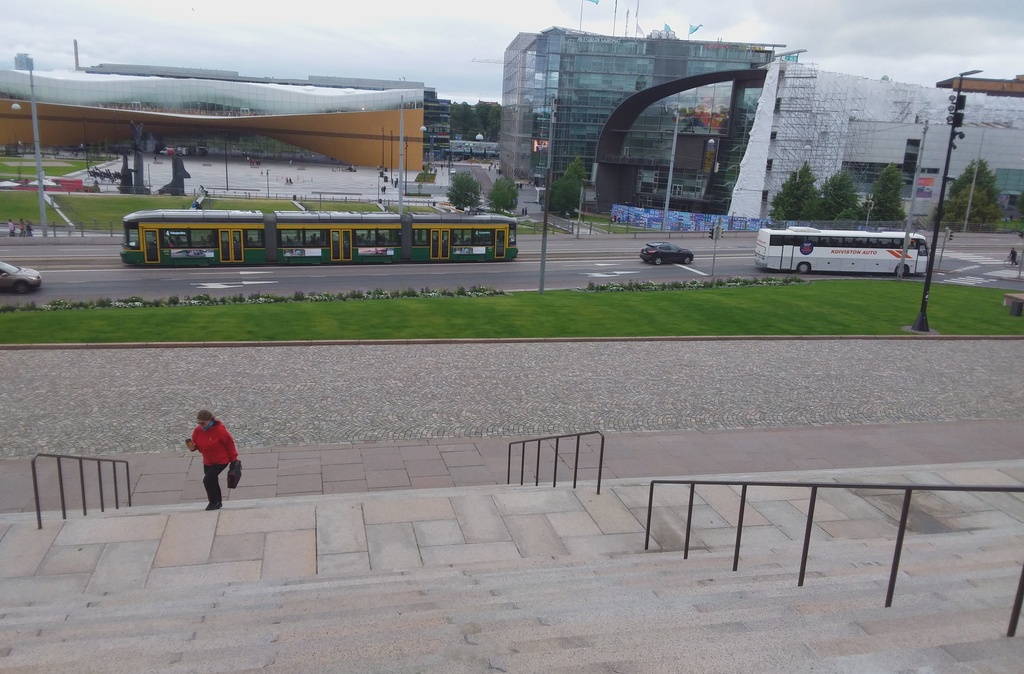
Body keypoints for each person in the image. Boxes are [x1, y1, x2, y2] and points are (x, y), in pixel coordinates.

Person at [185, 409, 238, 511]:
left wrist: (233, 460)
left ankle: (213, 502)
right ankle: (217, 502)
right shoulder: (197, 431)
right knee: (212, 481)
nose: (201, 425)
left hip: (221, 461)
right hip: (208, 461)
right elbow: (196, 444)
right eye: (199, 423)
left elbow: (229, 445)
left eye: (203, 423)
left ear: (210, 420)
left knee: (207, 480)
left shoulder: (220, 431)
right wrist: (193, 448)